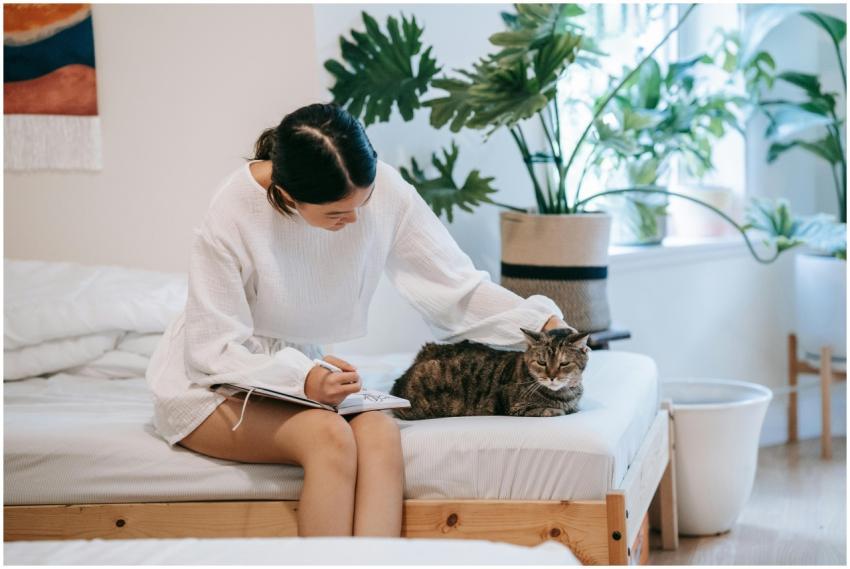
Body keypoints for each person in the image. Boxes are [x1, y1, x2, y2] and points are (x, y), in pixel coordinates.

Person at [145, 102, 570, 538]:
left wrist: (545, 326)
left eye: (362, 205)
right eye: (335, 214)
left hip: (297, 370)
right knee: (327, 438)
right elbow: (213, 348)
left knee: (380, 435)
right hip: (214, 379)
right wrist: (305, 378)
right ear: (287, 195)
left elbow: (455, 288)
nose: (353, 221)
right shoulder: (232, 212)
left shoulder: (385, 190)